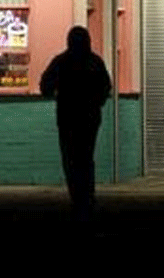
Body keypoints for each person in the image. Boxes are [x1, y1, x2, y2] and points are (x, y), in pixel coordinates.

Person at [40, 26, 111, 220]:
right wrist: (97, 101)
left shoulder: (61, 62)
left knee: (70, 158)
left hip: (67, 117)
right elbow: (106, 87)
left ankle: (77, 196)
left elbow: (45, 85)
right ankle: (87, 196)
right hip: (89, 117)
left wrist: (57, 93)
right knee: (86, 157)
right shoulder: (95, 62)